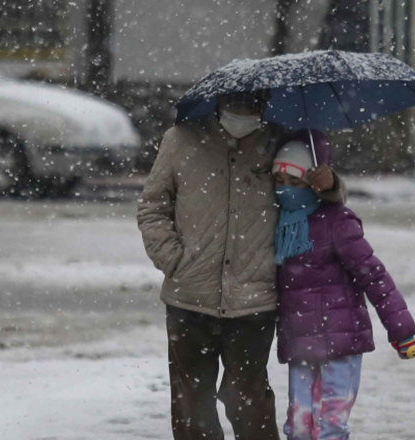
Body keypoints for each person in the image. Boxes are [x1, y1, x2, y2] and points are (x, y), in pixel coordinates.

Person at [137, 92, 346, 440]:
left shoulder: (282, 140)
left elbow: (318, 204)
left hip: (256, 300)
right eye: (237, 105)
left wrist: (332, 185)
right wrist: (172, 259)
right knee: (192, 402)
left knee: (248, 399)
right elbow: (153, 205)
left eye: (253, 106)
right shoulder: (181, 140)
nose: (244, 113)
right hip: (190, 296)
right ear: (219, 102)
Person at [271, 131, 415, 440]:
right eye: (278, 182)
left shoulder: (337, 221)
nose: (285, 191)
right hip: (301, 344)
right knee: (298, 425)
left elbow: (374, 275)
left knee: (331, 424)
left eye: (295, 183)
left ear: (313, 184)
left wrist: (401, 328)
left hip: (341, 341)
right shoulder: (279, 226)